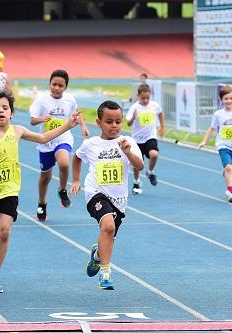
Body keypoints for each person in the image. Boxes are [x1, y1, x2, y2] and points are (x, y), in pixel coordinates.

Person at [0, 91, 81, 293]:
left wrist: (68, 125)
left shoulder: (17, 130)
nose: (1, 111)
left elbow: (42, 137)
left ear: (12, 113)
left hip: (9, 189)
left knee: (4, 232)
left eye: (5, 108)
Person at [70, 100, 144, 290]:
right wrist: (76, 180)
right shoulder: (91, 144)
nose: (114, 126)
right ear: (99, 122)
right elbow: (77, 157)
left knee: (109, 234)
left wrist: (127, 152)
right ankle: (105, 273)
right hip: (96, 193)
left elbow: (140, 166)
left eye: (118, 121)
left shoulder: (128, 143)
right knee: (108, 226)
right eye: (109, 121)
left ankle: (97, 256)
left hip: (119, 200)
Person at [29, 69, 89, 221]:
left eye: (60, 85)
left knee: (64, 162)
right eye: (54, 84)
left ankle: (62, 189)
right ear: (49, 84)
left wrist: (83, 126)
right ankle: (42, 204)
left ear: (65, 87)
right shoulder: (42, 100)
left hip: (63, 138)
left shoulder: (69, 100)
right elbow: (32, 120)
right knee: (45, 176)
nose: (56, 88)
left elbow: (77, 114)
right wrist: (42, 118)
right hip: (45, 141)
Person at [198, 85, 232, 203]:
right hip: (223, 145)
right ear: (221, 100)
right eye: (226, 99)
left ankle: (227, 173)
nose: (229, 101)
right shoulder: (218, 114)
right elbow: (211, 129)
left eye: (231, 98)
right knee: (229, 167)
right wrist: (204, 141)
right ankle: (230, 192)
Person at [126, 83, 164, 194]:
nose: (146, 100)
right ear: (138, 96)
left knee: (154, 154)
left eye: (148, 97)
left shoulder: (154, 105)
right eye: (143, 98)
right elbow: (128, 123)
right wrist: (133, 117)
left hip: (150, 137)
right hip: (137, 140)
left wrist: (162, 127)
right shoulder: (134, 107)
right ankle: (136, 181)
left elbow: (160, 114)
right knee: (137, 163)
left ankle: (150, 172)